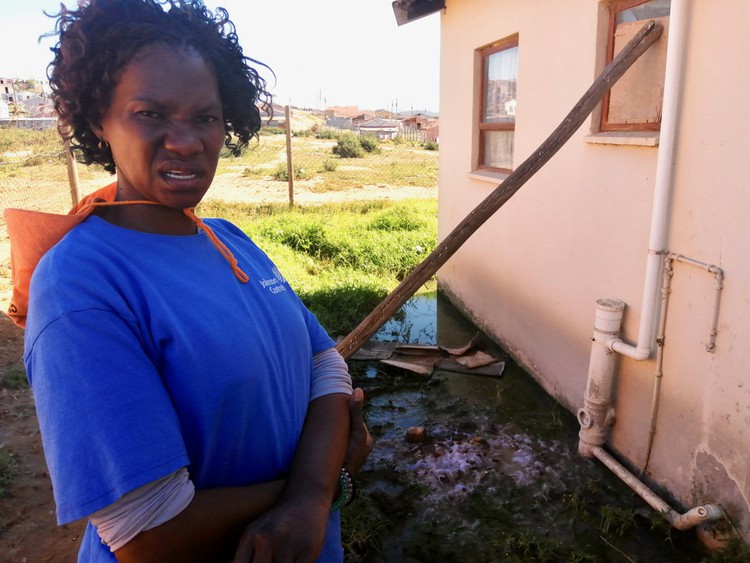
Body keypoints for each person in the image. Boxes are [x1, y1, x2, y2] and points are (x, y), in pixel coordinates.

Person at [21, 0, 372, 561]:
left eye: (205, 117)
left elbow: (322, 363)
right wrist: (319, 483)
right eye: (151, 113)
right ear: (97, 120)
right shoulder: (81, 285)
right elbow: (146, 529)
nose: (187, 141)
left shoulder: (229, 239)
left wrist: (313, 492)